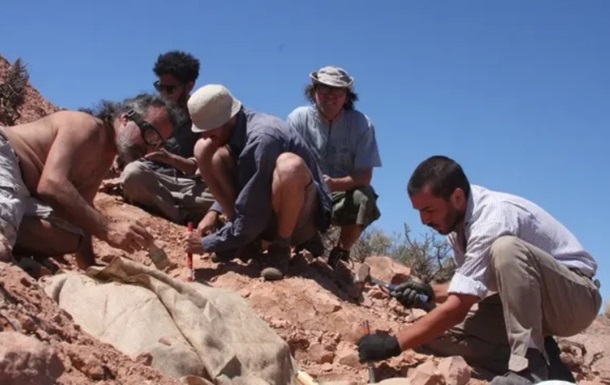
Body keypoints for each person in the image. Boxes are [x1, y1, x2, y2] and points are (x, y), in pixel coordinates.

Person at [356, 155, 601, 385]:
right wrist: (429, 291)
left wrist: (393, 344)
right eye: (419, 211)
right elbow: (470, 285)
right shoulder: (456, 226)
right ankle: (548, 364)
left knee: (506, 249)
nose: (423, 220)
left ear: (458, 197)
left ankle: (528, 369)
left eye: (429, 210)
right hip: (528, 306)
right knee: (435, 336)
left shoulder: (493, 219)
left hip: (574, 300)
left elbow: (458, 307)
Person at [0, 93, 180, 269]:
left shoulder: (105, 157)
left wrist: (89, 266)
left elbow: (82, 211)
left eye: (157, 144)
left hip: (21, 191)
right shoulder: (86, 126)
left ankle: (10, 236)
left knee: (71, 238)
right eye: (150, 135)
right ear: (125, 119)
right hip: (6, 155)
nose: (149, 149)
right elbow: (51, 185)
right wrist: (107, 228)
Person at [183, 84, 332, 280]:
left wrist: (208, 243)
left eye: (208, 128)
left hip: (302, 218)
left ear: (227, 119)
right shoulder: (237, 128)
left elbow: (254, 211)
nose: (204, 134)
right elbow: (250, 185)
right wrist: (214, 212)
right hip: (263, 210)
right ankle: (247, 241)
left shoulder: (262, 137)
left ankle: (281, 248)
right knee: (203, 149)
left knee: (289, 166)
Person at [287, 65, 382, 267]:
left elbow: (364, 176)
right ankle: (298, 241)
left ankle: (341, 253)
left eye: (338, 90)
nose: (330, 95)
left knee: (364, 197)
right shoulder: (298, 118)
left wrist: (333, 184)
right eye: (324, 89)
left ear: (347, 96)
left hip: (341, 193)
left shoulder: (362, 124)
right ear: (314, 92)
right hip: (306, 192)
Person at [119, 50, 214, 225]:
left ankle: (163, 206)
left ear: (189, 85)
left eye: (170, 89)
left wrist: (170, 159)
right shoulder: (150, 110)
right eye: (160, 87)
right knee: (133, 174)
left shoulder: (202, 116)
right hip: (150, 177)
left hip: (188, 184)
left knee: (219, 195)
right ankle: (181, 217)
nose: (164, 93)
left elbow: (200, 166)